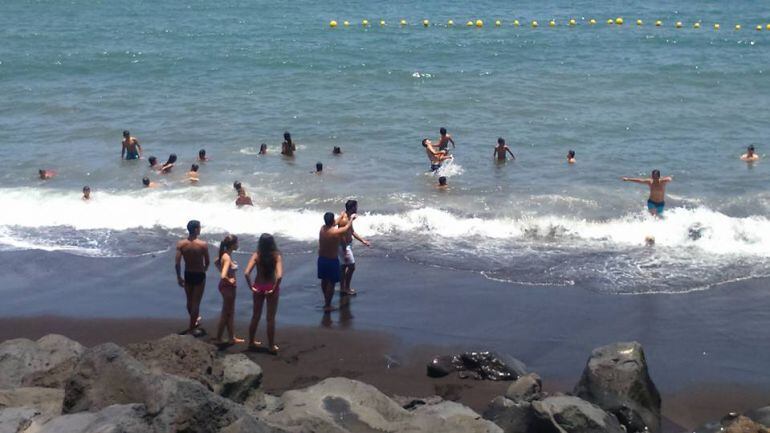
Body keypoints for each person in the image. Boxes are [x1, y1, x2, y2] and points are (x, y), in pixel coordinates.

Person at [244, 233, 283, 354]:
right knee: (270, 318)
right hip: (271, 287)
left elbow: (246, 273)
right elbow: (280, 276)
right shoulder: (276, 256)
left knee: (256, 315)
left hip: (258, 286)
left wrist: (251, 287)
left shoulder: (257, 255)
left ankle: (251, 341)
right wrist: (273, 288)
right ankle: (271, 346)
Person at [174, 220, 210, 336]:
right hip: (199, 275)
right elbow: (207, 262)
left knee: (189, 301)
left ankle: (194, 320)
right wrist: (204, 270)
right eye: (199, 228)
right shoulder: (202, 245)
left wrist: (179, 277)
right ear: (195, 229)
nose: (200, 229)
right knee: (196, 303)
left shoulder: (181, 244)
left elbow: (177, 263)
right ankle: (192, 329)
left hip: (187, 274)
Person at [318, 212, 355, 311]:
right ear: (332, 221)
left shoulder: (322, 229)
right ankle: (328, 305)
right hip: (331, 260)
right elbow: (347, 228)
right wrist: (351, 218)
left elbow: (334, 223)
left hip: (321, 259)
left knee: (324, 280)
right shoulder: (335, 232)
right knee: (332, 282)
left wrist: (341, 215)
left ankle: (326, 300)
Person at [337, 200, 370, 296]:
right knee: (351, 267)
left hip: (347, 245)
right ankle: (346, 288)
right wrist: (345, 251)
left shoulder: (349, 218)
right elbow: (341, 235)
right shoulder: (344, 220)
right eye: (356, 207)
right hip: (343, 246)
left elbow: (352, 231)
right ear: (352, 208)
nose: (357, 208)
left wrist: (363, 241)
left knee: (343, 267)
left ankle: (343, 288)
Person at [214, 235, 243, 345]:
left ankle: (232, 337)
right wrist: (229, 280)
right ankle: (218, 338)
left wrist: (222, 270)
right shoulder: (227, 257)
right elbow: (223, 275)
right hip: (227, 288)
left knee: (230, 313)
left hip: (227, 287)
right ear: (232, 245)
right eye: (237, 243)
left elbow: (216, 262)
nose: (238, 245)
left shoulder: (225, 255)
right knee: (226, 314)